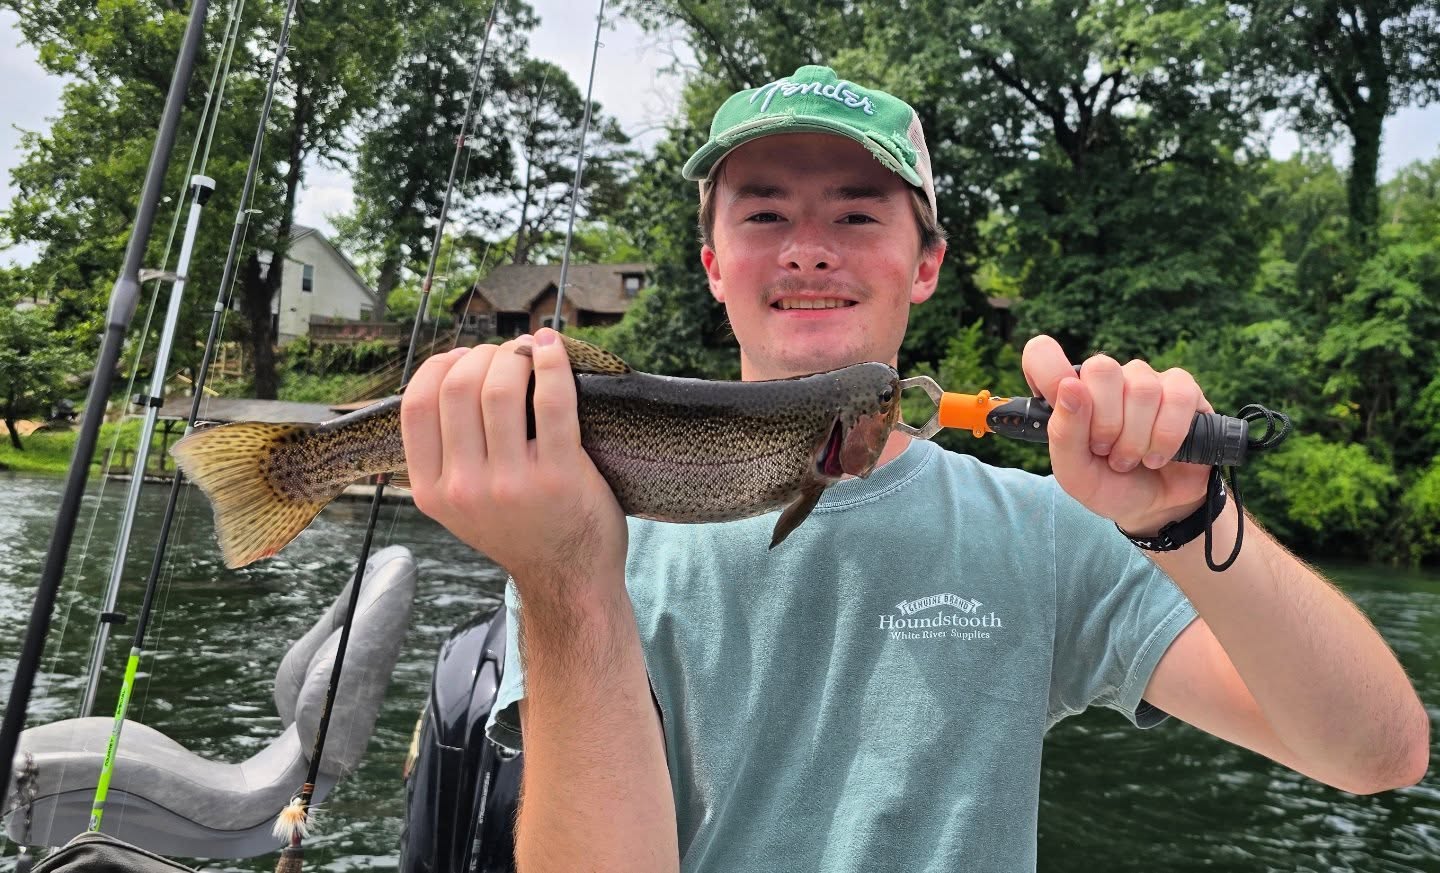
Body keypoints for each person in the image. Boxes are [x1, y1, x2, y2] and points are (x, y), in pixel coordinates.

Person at [399, 65, 1429, 872]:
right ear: (712, 262)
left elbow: (1375, 754)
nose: (808, 250)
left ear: (926, 263)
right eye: (764, 215)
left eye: (857, 213)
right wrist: (567, 582)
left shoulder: (1048, 527)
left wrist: (1190, 525)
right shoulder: (579, 527)